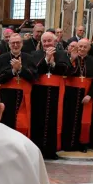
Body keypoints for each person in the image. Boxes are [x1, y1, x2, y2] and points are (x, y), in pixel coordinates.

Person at [30, 31, 72, 159]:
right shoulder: (35, 54)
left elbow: (67, 70)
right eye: (45, 41)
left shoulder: (61, 54)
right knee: (38, 120)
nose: (47, 43)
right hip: (39, 93)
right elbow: (33, 71)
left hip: (56, 92)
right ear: (41, 43)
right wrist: (46, 60)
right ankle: (37, 149)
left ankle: (51, 150)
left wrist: (53, 63)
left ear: (55, 42)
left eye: (49, 41)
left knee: (53, 120)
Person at [62, 39, 93, 152]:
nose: (82, 49)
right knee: (69, 119)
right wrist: (72, 59)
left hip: (86, 94)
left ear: (89, 48)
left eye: (85, 47)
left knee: (84, 120)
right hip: (70, 94)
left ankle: (82, 144)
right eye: (80, 46)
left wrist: (90, 95)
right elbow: (65, 74)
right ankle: (68, 144)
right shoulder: (69, 59)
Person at [0, 33, 36, 137]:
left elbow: (34, 77)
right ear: (8, 44)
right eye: (13, 43)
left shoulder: (29, 58)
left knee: (23, 123)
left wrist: (21, 69)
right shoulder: (2, 58)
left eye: (18, 43)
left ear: (22, 44)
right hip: (7, 98)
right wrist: (12, 71)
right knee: (6, 123)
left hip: (24, 98)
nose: (15, 45)